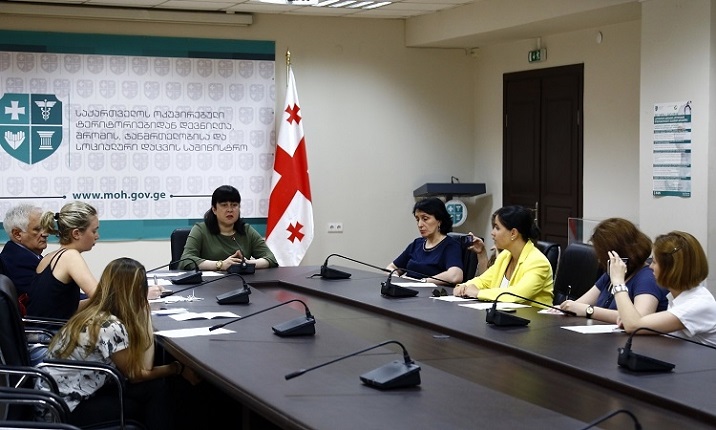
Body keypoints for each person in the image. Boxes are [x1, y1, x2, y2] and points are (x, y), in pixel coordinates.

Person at [39, 257, 196, 429]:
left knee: (154, 388)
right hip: (66, 410)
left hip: (54, 401)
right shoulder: (109, 326)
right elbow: (137, 373)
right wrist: (177, 368)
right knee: (157, 392)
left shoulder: (92, 312)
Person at [611, 231, 716, 346]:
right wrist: (628, 318)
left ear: (670, 269)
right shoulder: (678, 297)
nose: (651, 267)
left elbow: (633, 326)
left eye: (654, 262)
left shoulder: (697, 305)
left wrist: (618, 282)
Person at [559, 218, 668, 323]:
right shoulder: (611, 273)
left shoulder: (647, 278)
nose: (599, 260)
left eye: (601, 254)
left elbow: (639, 319)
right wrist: (565, 308)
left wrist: (589, 310)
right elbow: (578, 305)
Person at [452, 205, 553, 304]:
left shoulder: (538, 262)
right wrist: (464, 287)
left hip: (532, 315)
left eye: (497, 228)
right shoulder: (505, 256)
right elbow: (483, 281)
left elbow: (517, 295)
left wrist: (478, 293)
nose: (492, 233)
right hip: (503, 314)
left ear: (513, 233)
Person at [26, 201, 99, 319]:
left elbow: (61, 309)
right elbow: (101, 297)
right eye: (94, 231)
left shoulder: (48, 257)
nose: (97, 236)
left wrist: (93, 302)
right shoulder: (70, 257)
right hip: (54, 330)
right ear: (76, 233)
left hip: (38, 329)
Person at [179, 185, 278, 271]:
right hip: (209, 284)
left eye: (234, 205)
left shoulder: (246, 230)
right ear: (214, 209)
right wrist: (220, 265)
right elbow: (186, 260)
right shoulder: (200, 230)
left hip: (240, 282)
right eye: (224, 205)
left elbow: (271, 259)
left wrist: (247, 263)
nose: (230, 210)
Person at [387, 197, 463, 285]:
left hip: (429, 291)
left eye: (425, 219)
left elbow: (455, 276)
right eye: (417, 219)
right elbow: (391, 267)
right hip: (407, 289)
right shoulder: (416, 244)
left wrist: (423, 281)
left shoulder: (450, 245)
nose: (420, 225)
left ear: (439, 221)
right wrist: (395, 276)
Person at [0, 204, 49, 309]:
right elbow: (51, 300)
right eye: (37, 229)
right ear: (17, 234)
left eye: (45, 228)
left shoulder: (31, 256)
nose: (45, 233)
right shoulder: (17, 262)